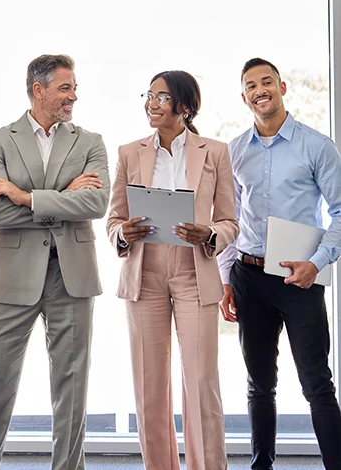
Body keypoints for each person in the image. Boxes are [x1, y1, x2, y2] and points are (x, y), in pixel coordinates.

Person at [0, 54, 110, 470]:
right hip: (12, 277)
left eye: (75, 88)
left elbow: (96, 202)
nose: (74, 96)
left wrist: (26, 196)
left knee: (72, 384)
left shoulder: (90, 142)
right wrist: (65, 195)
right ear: (38, 90)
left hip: (74, 275)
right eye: (66, 88)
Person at [107, 70, 238, 470]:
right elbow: (113, 220)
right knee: (150, 384)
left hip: (193, 268)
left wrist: (209, 233)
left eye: (161, 97)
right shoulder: (130, 152)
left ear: (184, 106)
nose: (151, 103)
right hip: (143, 270)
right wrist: (123, 234)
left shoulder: (214, 151)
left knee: (201, 382)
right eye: (148, 95)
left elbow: (231, 221)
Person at [218, 57, 341, 470]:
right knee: (259, 384)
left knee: (317, 384)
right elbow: (229, 219)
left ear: (283, 87)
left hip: (299, 279)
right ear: (244, 97)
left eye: (266, 81)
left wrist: (316, 262)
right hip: (249, 276)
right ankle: (261, 466)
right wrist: (226, 280)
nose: (260, 90)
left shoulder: (316, 145)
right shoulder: (234, 152)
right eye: (251, 86)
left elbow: (340, 212)